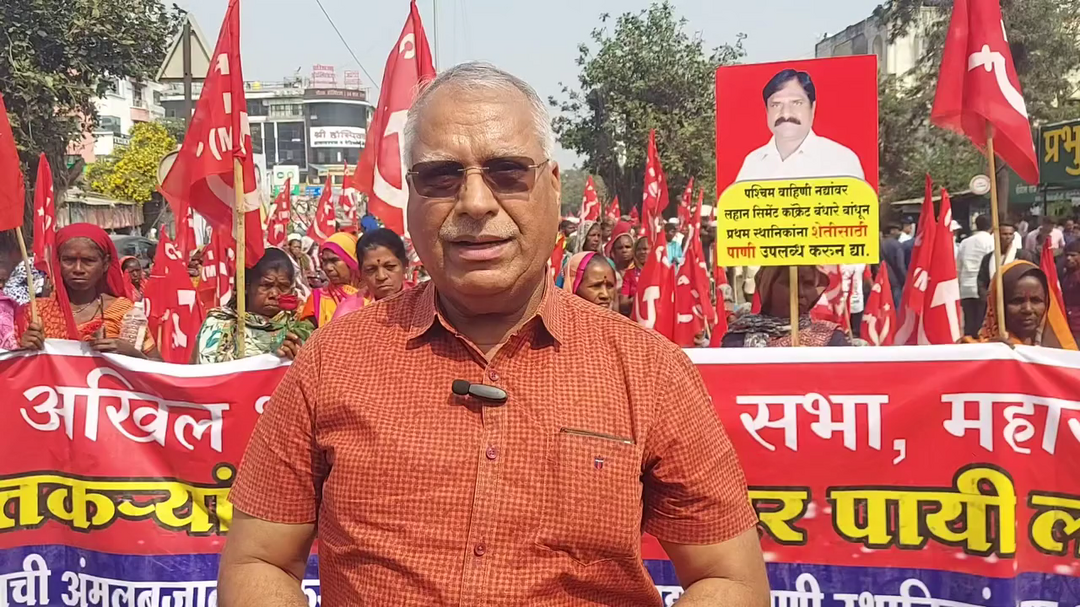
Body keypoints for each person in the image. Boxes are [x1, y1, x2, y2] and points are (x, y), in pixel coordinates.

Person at [219, 61, 767, 606]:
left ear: (553, 186)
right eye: (441, 177)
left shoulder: (649, 371)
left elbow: (729, 579)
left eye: (507, 172)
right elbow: (259, 561)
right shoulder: (333, 360)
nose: (475, 202)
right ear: (411, 197)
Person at [18, 224, 157, 358]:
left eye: (89, 261)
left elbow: (158, 366)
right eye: (69, 260)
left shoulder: (124, 312)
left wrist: (131, 354)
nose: (78, 269)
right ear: (57, 262)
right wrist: (23, 349)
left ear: (105, 263)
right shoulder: (36, 312)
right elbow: (13, 366)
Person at [736, 68, 864, 182]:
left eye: (796, 103)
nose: (786, 113)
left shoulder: (841, 160)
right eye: (776, 105)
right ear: (767, 111)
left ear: (812, 108)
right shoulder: (753, 162)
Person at [193, 248, 313, 364]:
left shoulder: (298, 329)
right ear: (246, 286)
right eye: (266, 285)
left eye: (283, 287)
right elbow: (207, 372)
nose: (274, 294)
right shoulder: (219, 325)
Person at [722, 265, 850, 347]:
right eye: (789, 283)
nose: (800, 293)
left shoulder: (830, 338)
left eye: (808, 284)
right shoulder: (737, 339)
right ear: (767, 286)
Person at [965, 260, 1077, 349]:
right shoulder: (975, 351)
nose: (1028, 309)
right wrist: (991, 354)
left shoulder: (1059, 354)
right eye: (1017, 301)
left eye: (1036, 300)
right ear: (997, 305)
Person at [331, 228, 410, 320]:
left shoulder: (420, 302)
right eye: (371, 270)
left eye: (390, 267)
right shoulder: (348, 313)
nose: (381, 276)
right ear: (361, 272)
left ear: (405, 266)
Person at [298, 232, 362, 328]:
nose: (328, 268)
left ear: (352, 260)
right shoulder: (317, 298)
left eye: (334, 260)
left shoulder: (372, 295)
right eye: (324, 261)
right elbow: (305, 331)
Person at [957, 215, 996, 337]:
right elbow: (992, 265)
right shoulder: (991, 242)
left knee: (969, 326)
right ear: (992, 227)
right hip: (983, 289)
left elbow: (959, 266)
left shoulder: (965, 242)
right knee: (981, 326)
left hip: (966, 287)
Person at [977, 223, 1036, 302]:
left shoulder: (1023, 256)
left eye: (1010, 234)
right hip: (992, 300)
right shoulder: (988, 258)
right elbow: (981, 280)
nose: (1008, 237)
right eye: (1004, 234)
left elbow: (1029, 277)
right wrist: (987, 297)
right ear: (997, 236)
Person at [606, 222, 636, 316]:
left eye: (628, 247)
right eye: (620, 248)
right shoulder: (608, 270)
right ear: (613, 251)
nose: (624, 250)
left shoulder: (639, 271)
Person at [881, 224, 907, 307]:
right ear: (892, 231)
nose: (899, 232)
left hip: (882, 278)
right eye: (897, 230)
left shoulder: (879, 244)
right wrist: (906, 279)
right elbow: (900, 266)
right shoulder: (896, 245)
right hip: (895, 281)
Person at [1061, 240, 1080, 343]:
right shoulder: (1067, 275)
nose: (1068, 258)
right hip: (1068, 326)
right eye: (1067, 255)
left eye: (1073, 255)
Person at [286, 234, 313, 298]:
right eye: (295, 247)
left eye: (299, 247)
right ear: (289, 247)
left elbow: (302, 276)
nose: (297, 249)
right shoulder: (287, 259)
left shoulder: (299, 259)